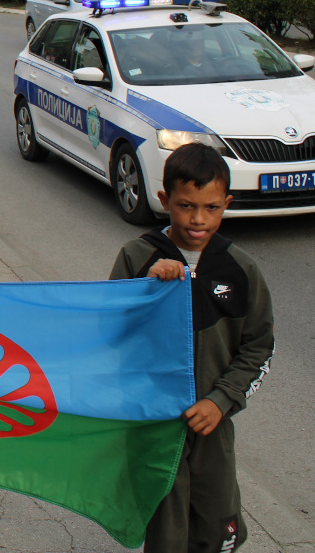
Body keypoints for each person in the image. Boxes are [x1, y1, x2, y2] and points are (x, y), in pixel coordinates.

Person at [109, 143, 273, 553]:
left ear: (226, 204)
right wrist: (149, 288)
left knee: (218, 525)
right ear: (164, 200)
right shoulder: (137, 258)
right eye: (185, 206)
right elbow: (112, 338)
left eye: (211, 208)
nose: (198, 219)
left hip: (212, 426)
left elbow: (259, 348)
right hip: (156, 427)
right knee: (166, 530)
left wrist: (221, 400)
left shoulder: (241, 268)